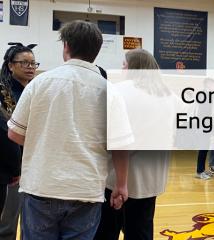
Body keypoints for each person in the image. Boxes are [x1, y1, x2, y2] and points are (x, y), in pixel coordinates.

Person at [7, 20, 129, 239]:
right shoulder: (111, 92)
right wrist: (121, 184)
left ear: (65, 46)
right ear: (97, 50)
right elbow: (120, 145)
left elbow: (14, 133)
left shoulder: (39, 83)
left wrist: (46, 140)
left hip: (41, 186)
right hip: (86, 190)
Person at [95, 48, 170, 240]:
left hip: (116, 176)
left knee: (106, 230)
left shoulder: (118, 91)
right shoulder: (168, 96)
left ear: (132, 67)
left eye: (124, 64)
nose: (122, 68)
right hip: (150, 178)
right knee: (141, 231)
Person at [0, 42, 37, 240]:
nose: (30, 67)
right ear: (10, 65)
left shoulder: (38, 90)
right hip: (11, 168)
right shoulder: (3, 93)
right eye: (24, 63)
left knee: (33, 224)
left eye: (33, 63)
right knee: (7, 223)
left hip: (35, 165)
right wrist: (14, 168)